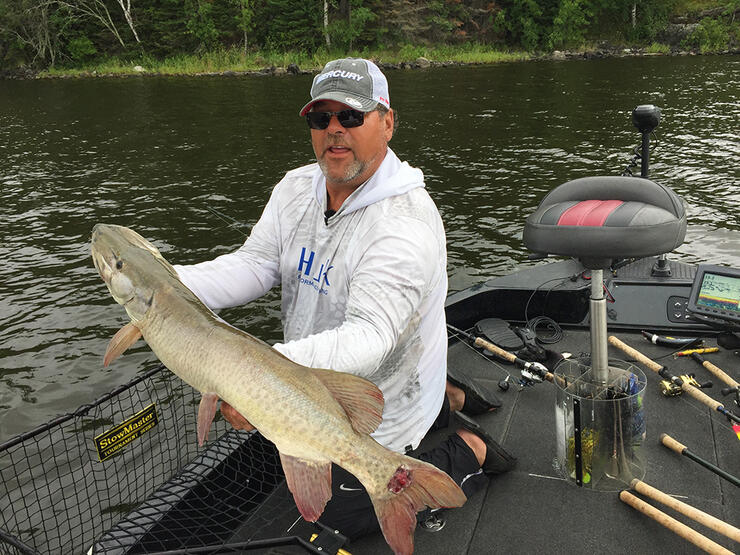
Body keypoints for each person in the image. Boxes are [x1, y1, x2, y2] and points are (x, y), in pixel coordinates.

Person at [173, 57, 515, 541]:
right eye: (321, 118)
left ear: (388, 122)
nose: (335, 130)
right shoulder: (295, 188)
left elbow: (371, 336)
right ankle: (447, 393)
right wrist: (163, 285)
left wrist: (254, 373)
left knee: (330, 524)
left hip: (381, 401)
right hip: (310, 382)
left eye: (351, 116)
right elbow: (254, 264)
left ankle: (466, 447)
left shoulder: (405, 223)